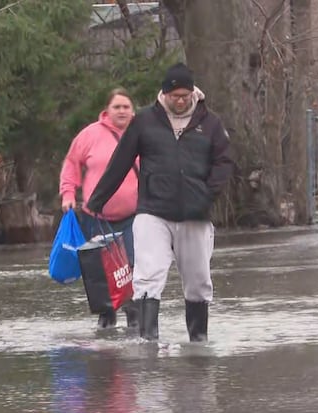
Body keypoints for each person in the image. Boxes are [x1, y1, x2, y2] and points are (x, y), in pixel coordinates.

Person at [86, 63, 236, 342]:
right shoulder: (144, 121)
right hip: (153, 211)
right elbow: (120, 162)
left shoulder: (210, 123)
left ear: (193, 94)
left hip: (195, 214)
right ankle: (148, 340)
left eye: (185, 95)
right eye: (175, 96)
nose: (180, 101)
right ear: (164, 94)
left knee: (198, 280)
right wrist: (97, 200)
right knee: (147, 275)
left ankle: (198, 341)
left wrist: (207, 194)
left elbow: (224, 162)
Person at [59, 88, 139, 329]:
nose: (122, 111)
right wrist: (68, 194)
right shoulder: (89, 135)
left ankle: (134, 318)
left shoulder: (143, 133)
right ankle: (107, 319)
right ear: (107, 110)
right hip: (96, 217)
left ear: (132, 110)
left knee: (132, 267)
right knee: (101, 271)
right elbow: (72, 164)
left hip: (134, 217)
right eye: (117, 107)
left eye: (126, 107)